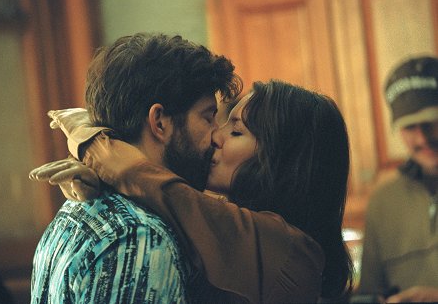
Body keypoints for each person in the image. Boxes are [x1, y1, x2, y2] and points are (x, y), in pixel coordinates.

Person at [31, 80, 354, 302]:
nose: (217, 135)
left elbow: (141, 176)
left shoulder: (287, 247)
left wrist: (88, 135)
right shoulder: (226, 220)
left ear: (281, 160)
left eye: (237, 130)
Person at [29, 32, 242, 303]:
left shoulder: (73, 210)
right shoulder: (137, 237)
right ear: (160, 122)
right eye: (208, 117)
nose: (216, 135)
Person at [357, 56, 438, 303]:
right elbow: (370, 294)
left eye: (431, 122)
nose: (422, 138)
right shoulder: (383, 202)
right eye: (410, 127)